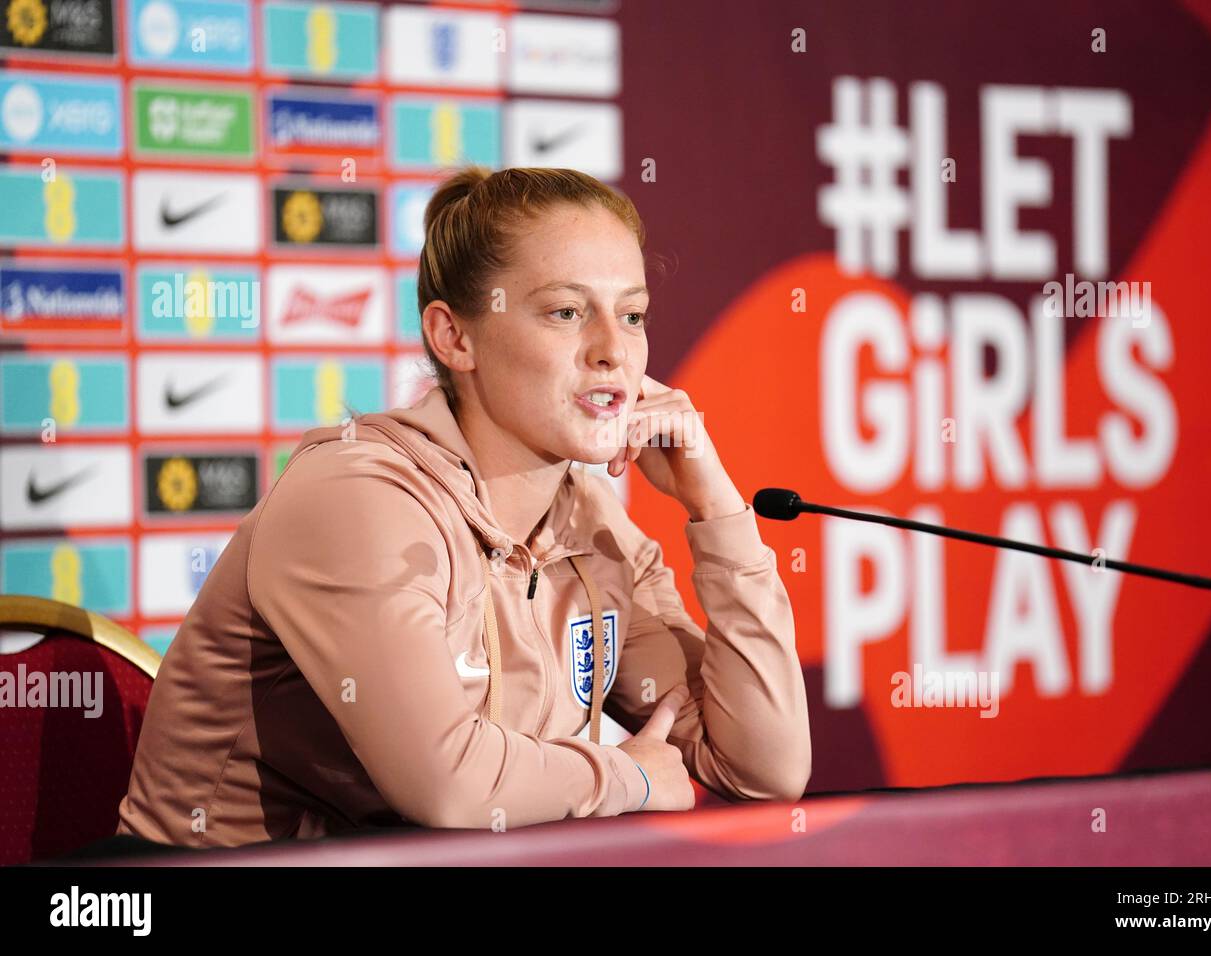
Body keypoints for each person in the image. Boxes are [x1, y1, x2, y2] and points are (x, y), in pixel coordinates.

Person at [116, 166, 811, 847]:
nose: (613, 353)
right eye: (566, 312)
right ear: (455, 338)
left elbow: (761, 769)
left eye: (632, 315)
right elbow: (446, 784)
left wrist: (715, 508)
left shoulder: (593, 530)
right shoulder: (358, 496)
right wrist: (626, 775)